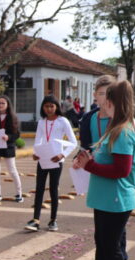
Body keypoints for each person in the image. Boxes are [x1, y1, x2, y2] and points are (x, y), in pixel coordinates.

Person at [73, 80, 135, 260]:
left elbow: (121, 170)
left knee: (111, 247)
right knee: (102, 243)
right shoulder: (113, 128)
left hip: (116, 198)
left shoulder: (122, 132)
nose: (101, 101)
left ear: (112, 102)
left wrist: (90, 166)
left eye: (105, 97)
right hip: (103, 197)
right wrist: (88, 163)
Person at [79, 75, 127, 260]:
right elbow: (85, 146)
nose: (104, 99)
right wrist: (80, 161)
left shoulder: (122, 124)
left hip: (116, 181)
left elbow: (124, 163)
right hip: (97, 173)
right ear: (95, 95)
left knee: (115, 233)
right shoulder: (89, 118)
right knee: (102, 232)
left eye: (109, 94)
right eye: (100, 93)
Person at [25, 95, 77, 232]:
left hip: (56, 159)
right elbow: (38, 140)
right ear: (43, 107)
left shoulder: (63, 121)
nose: (49, 109)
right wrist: (36, 153)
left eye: (52, 106)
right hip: (43, 159)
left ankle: (53, 220)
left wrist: (62, 155)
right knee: (39, 188)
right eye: (46, 106)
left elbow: (73, 142)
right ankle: (35, 220)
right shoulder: (42, 122)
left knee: (53, 189)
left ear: (56, 107)